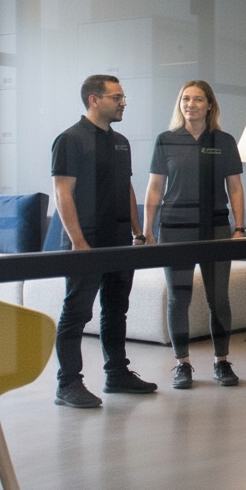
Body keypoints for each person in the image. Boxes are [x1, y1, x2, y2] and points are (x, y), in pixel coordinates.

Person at [51, 75, 157, 408]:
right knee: (77, 312)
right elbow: (62, 192)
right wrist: (78, 242)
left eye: (123, 97)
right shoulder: (70, 139)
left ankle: (117, 374)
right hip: (87, 239)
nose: (123, 102)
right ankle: (67, 384)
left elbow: (126, 188)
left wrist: (137, 231)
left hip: (119, 238)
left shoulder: (122, 141)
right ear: (94, 100)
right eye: (117, 97)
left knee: (116, 308)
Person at [143, 80, 246, 390]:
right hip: (175, 229)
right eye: (185, 99)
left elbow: (235, 187)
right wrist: (147, 231)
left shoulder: (224, 141)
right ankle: (182, 365)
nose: (190, 104)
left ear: (209, 105)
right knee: (178, 299)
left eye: (198, 99)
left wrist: (239, 228)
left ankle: (221, 361)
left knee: (218, 298)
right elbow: (155, 188)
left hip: (215, 228)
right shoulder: (166, 140)